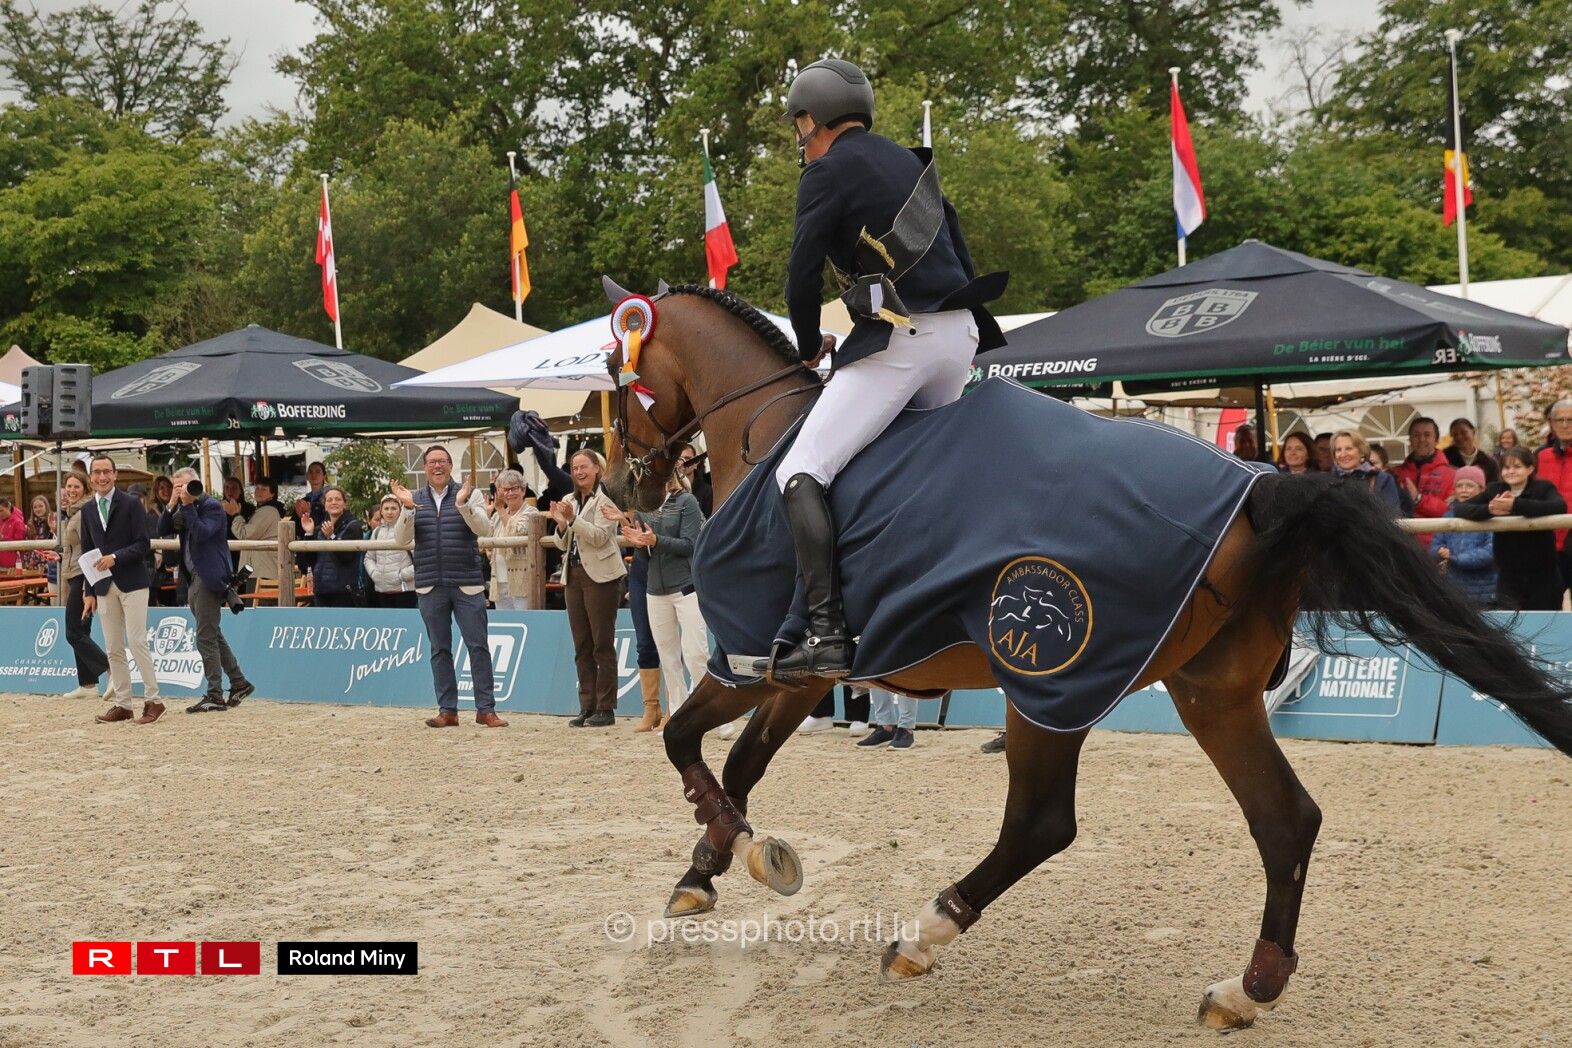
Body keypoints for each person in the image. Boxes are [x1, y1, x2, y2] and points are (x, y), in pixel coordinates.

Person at [767, 57, 1005, 681]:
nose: (800, 136)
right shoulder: (911, 161)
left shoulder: (825, 172)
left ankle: (826, 633)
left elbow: (801, 274)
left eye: (800, 124)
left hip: (904, 337)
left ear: (816, 118)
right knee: (912, 470)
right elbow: (957, 245)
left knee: (801, 469)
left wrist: (806, 342)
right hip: (960, 331)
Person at [391, 446, 506, 728]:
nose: (437, 466)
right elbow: (401, 540)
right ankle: (447, 710)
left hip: (467, 582)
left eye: (442, 461)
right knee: (439, 649)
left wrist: (463, 503)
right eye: (432, 462)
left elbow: (484, 529)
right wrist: (407, 508)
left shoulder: (470, 493)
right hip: (430, 584)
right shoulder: (414, 499)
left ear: (451, 465)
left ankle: (486, 709)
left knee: (478, 646)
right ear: (424, 468)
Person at [610, 471, 709, 734]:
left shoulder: (687, 502)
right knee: (668, 658)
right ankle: (677, 715)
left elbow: (690, 545)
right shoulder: (645, 507)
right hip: (655, 590)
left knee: (696, 654)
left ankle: (711, 712)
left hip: (685, 587)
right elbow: (646, 555)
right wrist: (638, 542)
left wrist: (655, 541)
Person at [541, 449, 625, 726]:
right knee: (581, 644)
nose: (578, 472)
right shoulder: (568, 500)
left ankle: (606, 707)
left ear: (597, 469)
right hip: (574, 574)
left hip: (601, 576)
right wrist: (561, 526)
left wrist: (573, 521)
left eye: (583, 467)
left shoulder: (605, 500)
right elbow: (561, 543)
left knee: (602, 644)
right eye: (574, 467)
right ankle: (587, 705)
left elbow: (600, 537)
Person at [161, 468, 254, 713]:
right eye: (178, 486)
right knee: (212, 633)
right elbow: (162, 529)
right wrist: (171, 504)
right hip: (193, 577)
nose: (183, 490)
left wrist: (187, 505)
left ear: (197, 483)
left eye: (186, 485)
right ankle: (239, 682)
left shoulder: (211, 506)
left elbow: (202, 533)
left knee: (205, 636)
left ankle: (215, 694)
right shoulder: (182, 506)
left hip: (209, 577)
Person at [80, 454, 162, 724]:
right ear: (91, 477)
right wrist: (89, 591)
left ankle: (154, 700)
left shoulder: (131, 504)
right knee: (113, 647)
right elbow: (87, 552)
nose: (102, 477)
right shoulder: (87, 511)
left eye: (107, 471)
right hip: (103, 586)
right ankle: (123, 704)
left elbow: (143, 544)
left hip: (133, 582)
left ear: (115, 475)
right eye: (97, 472)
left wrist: (115, 558)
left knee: (137, 641)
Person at [1453, 447, 1567, 610]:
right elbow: (1460, 508)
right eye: (1506, 467)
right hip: (1509, 575)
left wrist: (1515, 505)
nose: (1511, 471)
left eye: (1517, 467)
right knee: (1509, 622)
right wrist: (1489, 510)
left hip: (1543, 574)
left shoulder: (1544, 488)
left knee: (1545, 620)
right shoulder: (1494, 489)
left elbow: (1559, 506)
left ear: (1530, 469)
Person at [49, 473, 110, 701]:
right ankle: (87, 684)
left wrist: (87, 584)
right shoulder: (73, 513)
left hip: (83, 576)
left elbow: (90, 547)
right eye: (69, 486)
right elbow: (75, 549)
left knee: (73, 631)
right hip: (74, 573)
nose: (71, 490)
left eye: (76, 486)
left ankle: (110, 667)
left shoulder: (85, 512)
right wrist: (60, 556)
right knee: (81, 631)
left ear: (85, 489)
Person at [1430, 466, 1496, 606]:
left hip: (1484, 593)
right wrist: (1440, 551)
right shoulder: (1447, 516)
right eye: (1459, 486)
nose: (1464, 490)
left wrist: (1455, 558)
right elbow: (1435, 545)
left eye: (1470, 485)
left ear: (1482, 489)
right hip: (1452, 591)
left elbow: (1490, 551)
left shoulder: (1491, 516)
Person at [1390, 417, 1455, 543]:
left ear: (1436, 440)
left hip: (1438, 546)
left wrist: (1419, 499)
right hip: (1401, 543)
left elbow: (1451, 511)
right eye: (1416, 435)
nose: (1421, 439)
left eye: (1427, 435)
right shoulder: (1395, 474)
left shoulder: (1453, 474)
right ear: (1410, 440)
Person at [1534, 399, 1572, 607]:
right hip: (1546, 544)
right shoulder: (1540, 456)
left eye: (1570, 420)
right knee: (1547, 608)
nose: (1565, 425)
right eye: (1560, 420)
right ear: (1551, 423)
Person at [300, 485, 362, 607]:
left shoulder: (353, 526)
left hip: (343, 591)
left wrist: (331, 537)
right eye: (329, 500)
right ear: (324, 505)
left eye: (338, 499)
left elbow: (346, 557)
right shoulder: (319, 529)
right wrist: (309, 533)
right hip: (321, 590)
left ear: (345, 504)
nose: (334, 502)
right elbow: (310, 560)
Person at [487, 469, 534, 612]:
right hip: (499, 579)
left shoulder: (531, 512)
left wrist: (500, 509)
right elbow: (486, 538)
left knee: (523, 620)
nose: (510, 493)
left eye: (514, 488)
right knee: (505, 622)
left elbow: (517, 532)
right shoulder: (496, 516)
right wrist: (488, 514)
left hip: (521, 579)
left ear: (523, 490)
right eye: (506, 490)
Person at [230, 476, 284, 591]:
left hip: (262, 571)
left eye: (263, 489)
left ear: (272, 494)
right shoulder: (262, 510)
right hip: (258, 569)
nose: (259, 491)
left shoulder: (268, 511)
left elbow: (244, 534)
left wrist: (235, 515)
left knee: (255, 601)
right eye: (257, 488)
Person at [1330, 431, 1401, 515]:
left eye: (1348, 448)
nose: (1343, 454)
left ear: (1362, 452)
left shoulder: (1382, 479)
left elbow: (1393, 514)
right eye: (1338, 450)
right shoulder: (1328, 481)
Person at [364, 494, 416, 608]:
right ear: (381, 511)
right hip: (382, 591)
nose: (390, 512)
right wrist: (374, 573)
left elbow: (420, 559)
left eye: (393, 508)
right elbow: (369, 558)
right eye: (386, 508)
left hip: (405, 591)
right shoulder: (376, 532)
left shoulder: (408, 530)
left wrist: (401, 575)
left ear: (400, 510)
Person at [1444, 418, 1500, 485]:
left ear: (1473, 432)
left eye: (1463, 432)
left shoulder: (1488, 462)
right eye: (1455, 434)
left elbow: (1493, 487)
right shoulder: (1445, 458)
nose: (1459, 437)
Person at [220, 476, 253, 570]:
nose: (230, 491)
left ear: (240, 491)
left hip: (244, 550)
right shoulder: (218, 508)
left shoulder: (249, 509)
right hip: (224, 550)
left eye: (234, 488)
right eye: (227, 488)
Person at [21, 494, 54, 577]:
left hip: (47, 560)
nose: (38, 509)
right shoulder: (30, 524)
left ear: (46, 506)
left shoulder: (52, 522)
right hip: (32, 562)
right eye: (35, 507)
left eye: (40, 506)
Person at [677, 443, 713, 517]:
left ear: (695, 463)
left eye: (687, 458)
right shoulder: (669, 489)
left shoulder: (706, 491)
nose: (683, 462)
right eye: (680, 459)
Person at [0, 497, 24, 569]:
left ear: (8, 507)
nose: (0, 514)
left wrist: (3, 537)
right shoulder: (1, 520)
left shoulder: (18, 522)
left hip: (12, 565)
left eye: (1, 511)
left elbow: (20, 544)